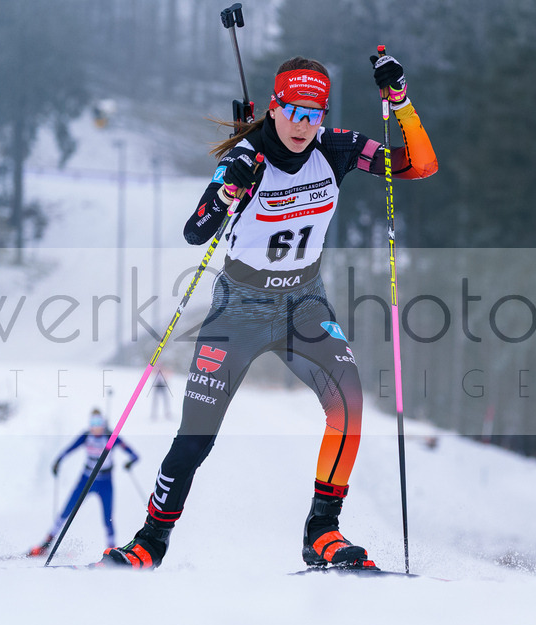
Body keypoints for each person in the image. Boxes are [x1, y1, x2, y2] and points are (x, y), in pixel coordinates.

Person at [95, 52, 436, 570]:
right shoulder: (247, 157)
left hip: (304, 305)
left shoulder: (337, 148)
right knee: (196, 435)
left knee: (348, 404)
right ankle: (150, 541)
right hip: (240, 309)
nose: (302, 124)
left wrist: (401, 101)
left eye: (313, 113)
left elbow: (419, 165)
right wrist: (227, 189)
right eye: (293, 111)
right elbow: (196, 231)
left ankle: (322, 532)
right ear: (274, 107)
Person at [28, 409, 139, 555]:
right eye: (93, 423)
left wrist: (130, 463)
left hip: (105, 482)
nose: (95, 426)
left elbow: (134, 455)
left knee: (108, 519)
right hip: (86, 480)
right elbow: (69, 449)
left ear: (103, 423)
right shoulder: (86, 436)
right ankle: (46, 545)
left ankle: (112, 550)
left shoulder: (110, 437)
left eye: (98, 422)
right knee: (66, 511)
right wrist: (58, 461)